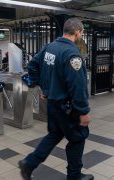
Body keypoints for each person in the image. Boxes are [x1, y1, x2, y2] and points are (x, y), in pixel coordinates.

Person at [18, 18, 93, 180]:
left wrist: (42, 86)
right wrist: (83, 111)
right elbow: (77, 86)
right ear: (78, 32)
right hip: (68, 108)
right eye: (82, 33)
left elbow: (31, 66)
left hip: (53, 104)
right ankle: (74, 176)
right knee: (78, 137)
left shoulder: (49, 47)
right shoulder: (73, 54)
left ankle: (29, 163)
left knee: (55, 134)